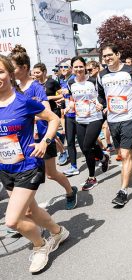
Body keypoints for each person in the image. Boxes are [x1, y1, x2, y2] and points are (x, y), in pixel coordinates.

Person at [0, 54, 69, 273]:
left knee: (12, 221)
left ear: (10, 74)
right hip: (5, 168)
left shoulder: (23, 101)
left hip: (28, 167)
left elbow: (54, 119)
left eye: (0, 71)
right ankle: (58, 232)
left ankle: (41, 246)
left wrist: (45, 141)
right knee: (30, 211)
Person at [10, 46, 77, 210]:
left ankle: (70, 191)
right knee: (24, 176)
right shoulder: (14, 89)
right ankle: (24, 213)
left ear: (24, 68)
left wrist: (29, 114)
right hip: (23, 139)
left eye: (13, 67)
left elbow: (46, 112)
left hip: (41, 137)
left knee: (51, 173)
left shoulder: (36, 87)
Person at [97, 44, 132, 206]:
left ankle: (123, 192)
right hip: (112, 120)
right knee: (124, 152)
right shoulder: (101, 75)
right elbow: (100, 96)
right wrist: (101, 104)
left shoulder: (131, 71)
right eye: (104, 56)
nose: (107, 58)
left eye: (110, 55)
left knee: (124, 155)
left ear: (118, 54)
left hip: (129, 118)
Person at [67, 56, 110, 191]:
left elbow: (102, 95)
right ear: (72, 68)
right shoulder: (70, 83)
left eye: (81, 66)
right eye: (76, 67)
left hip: (95, 117)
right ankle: (103, 157)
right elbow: (72, 99)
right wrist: (69, 106)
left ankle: (92, 177)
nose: (79, 69)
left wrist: (100, 104)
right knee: (87, 147)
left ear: (85, 67)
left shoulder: (93, 81)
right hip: (80, 118)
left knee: (86, 147)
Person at [32, 63, 75, 176]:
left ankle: (63, 152)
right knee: (51, 135)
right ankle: (61, 149)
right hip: (41, 113)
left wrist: (50, 97)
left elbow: (62, 95)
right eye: (34, 72)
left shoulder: (52, 82)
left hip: (53, 112)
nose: (36, 75)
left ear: (44, 72)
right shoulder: (35, 84)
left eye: (38, 72)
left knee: (51, 135)